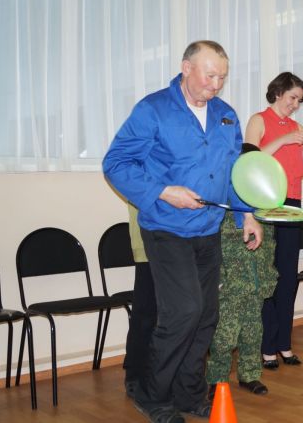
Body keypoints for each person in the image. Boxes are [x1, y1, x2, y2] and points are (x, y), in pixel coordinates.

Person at [103, 40, 262, 423]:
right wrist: (162, 190)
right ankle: (152, 394)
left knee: (206, 314)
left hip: (207, 229)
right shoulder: (153, 109)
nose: (216, 84)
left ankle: (188, 393)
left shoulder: (226, 115)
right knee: (183, 311)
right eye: (210, 75)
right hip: (165, 228)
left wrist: (247, 216)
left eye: (222, 77)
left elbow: (232, 173)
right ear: (186, 68)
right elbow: (116, 163)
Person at [244, 71, 303, 369]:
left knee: (288, 276)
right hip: (266, 204)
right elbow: (250, 158)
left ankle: (284, 344)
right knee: (268, 277)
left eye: (300, 100)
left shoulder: (296, 126)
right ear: (279, 92)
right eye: (293, 97)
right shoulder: (259, 120)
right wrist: (282, 140)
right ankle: (267, 347)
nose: (296, 104)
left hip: (292, 204)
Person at [206, 145, 278, 397]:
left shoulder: (263, 206)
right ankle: (217, 379)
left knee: (253, 331)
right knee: (225, 335)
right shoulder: (224, 207)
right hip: (230, 282)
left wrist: (268, 277)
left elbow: (268, 247)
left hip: (256, 283)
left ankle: (249, 375)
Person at [123, 203, 157, 400]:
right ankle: (135, 375)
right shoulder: (137, 170)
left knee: (172, 315)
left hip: (179, 244)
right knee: (145, 314)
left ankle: (163, 374)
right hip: (147, 245)